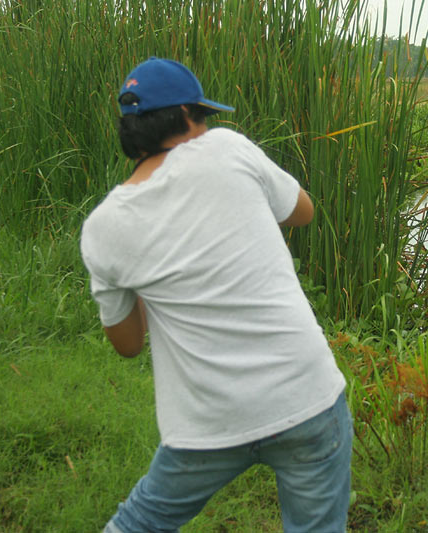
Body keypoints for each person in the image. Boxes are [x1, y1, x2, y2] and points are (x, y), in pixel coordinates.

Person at [81, 57, 351, 533]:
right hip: (306, 397)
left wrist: (149, 274)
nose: (207, 128)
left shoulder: (104, 227)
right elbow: (303, 212)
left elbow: (127, 344)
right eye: (203, 117)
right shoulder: (229, 150)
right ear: (186, 117)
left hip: (207, 425)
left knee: (137, 523)